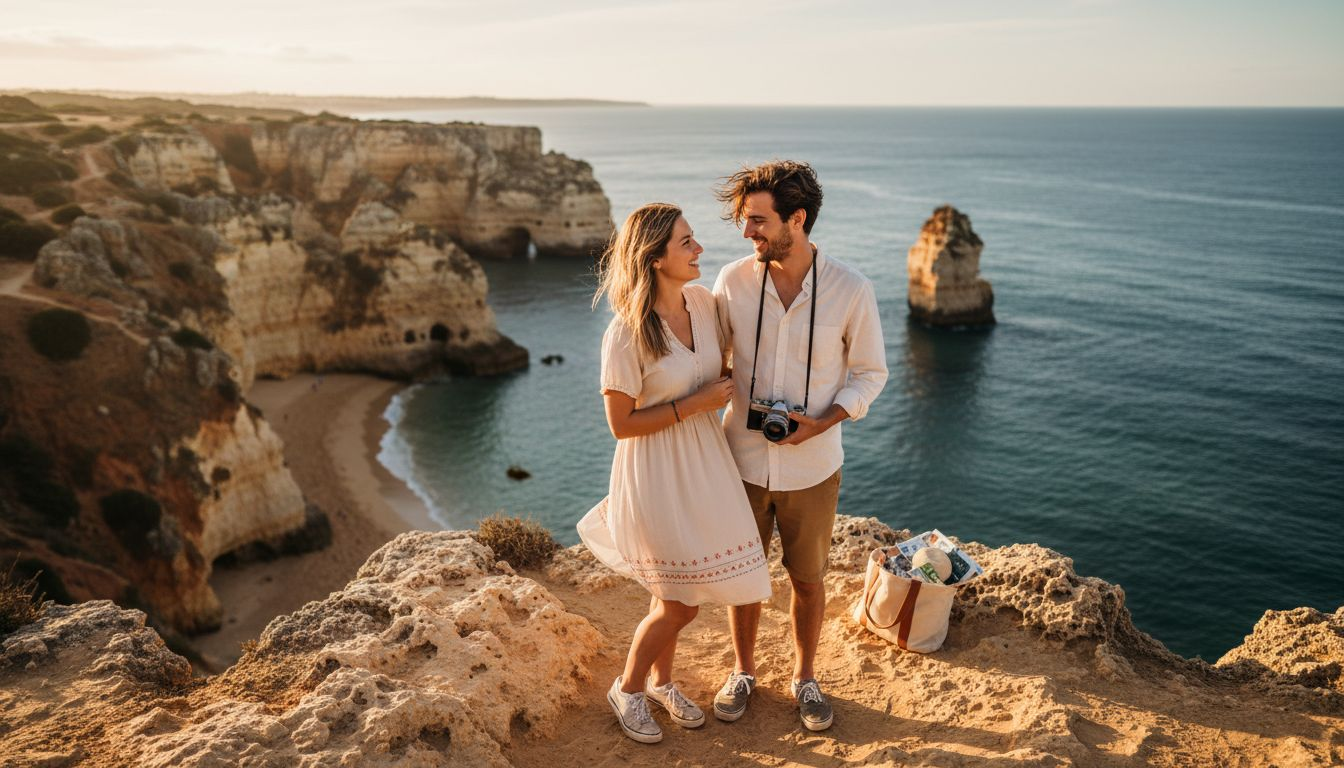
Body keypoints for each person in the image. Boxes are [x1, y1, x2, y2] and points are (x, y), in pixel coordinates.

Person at [578, 203, 772, 744]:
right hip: (657, 470)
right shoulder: (626, 333)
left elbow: (720, 367)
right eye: (686, 243)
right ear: (656, 258)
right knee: (680, 601)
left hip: (705, 463)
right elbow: (621, 424)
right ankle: (629, 688)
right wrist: (698, 401)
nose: (699, 250)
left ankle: (662, 681)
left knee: (676, 587)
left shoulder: (704, 304)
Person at [710, 161, 887, 731]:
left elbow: (869, 374)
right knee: (743, 575)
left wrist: (826, 420)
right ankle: (743, 671)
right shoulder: (733, 281)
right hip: (740, 458)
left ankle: (806, 678)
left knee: (808, 580)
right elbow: (708, 365)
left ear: (798, 218)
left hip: (814, 465)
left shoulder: (851, 289)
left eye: (757, 220)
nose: (746, 233)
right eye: (743, 220)